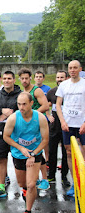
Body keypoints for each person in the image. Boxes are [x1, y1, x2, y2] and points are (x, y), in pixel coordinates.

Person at [3, 92, 49, 213]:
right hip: (18, 154)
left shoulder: (40, 118)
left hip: (35, 153)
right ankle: (27, 189)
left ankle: (28, 210)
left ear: (31, 103)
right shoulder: (13, 118)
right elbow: (6, 136)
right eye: (19, 104)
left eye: (24, 104)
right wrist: (21, 148)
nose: (21, 107)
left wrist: (33, 154)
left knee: (31, 185)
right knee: (22, 183)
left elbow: (45, 140)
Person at [0, 71, 21, 199]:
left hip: (17, 131)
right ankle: (1, 186)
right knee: (2, 158)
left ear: (14, 80)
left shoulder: (21, 95)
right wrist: (1, 111)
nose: (7, 81)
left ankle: (23, 185)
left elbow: (25, 111)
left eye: (9, 79)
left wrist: (10, 115)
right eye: (5, 79)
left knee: (18, 159)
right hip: (0, 130)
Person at [56, 60, 85, 197]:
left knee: (83, 153)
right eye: (70, 68)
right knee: (68, 153)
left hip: (82, 124)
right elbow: (58, 105)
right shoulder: (63, 85)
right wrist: (62, 121)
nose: (72, 70)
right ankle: (75, 183)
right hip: (67, 125)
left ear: (80, 69)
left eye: (75, 68)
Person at [18, 68, 50, 190]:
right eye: (22, 78)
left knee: (38, 151)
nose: (25, 80)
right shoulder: (22, 92)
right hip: (27, 126)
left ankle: (45, 179)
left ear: (30, 78)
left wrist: (32, 115)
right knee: (31, 151)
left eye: (27, 78)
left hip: (38, 124)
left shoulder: (36, 91)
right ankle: (34, 178)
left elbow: (46, 105)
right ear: (19, 79)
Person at [46, 70, 70, 187]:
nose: (59, 79)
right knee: (52, 152)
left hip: (67, 127)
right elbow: (45, 105)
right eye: (58, 77)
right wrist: (48, 115)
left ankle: (64, 176)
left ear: (67, 78)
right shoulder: (51, 92)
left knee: (66, 153)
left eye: (62, 77)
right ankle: (51, 176)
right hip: (54, 128)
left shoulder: (70, 92)